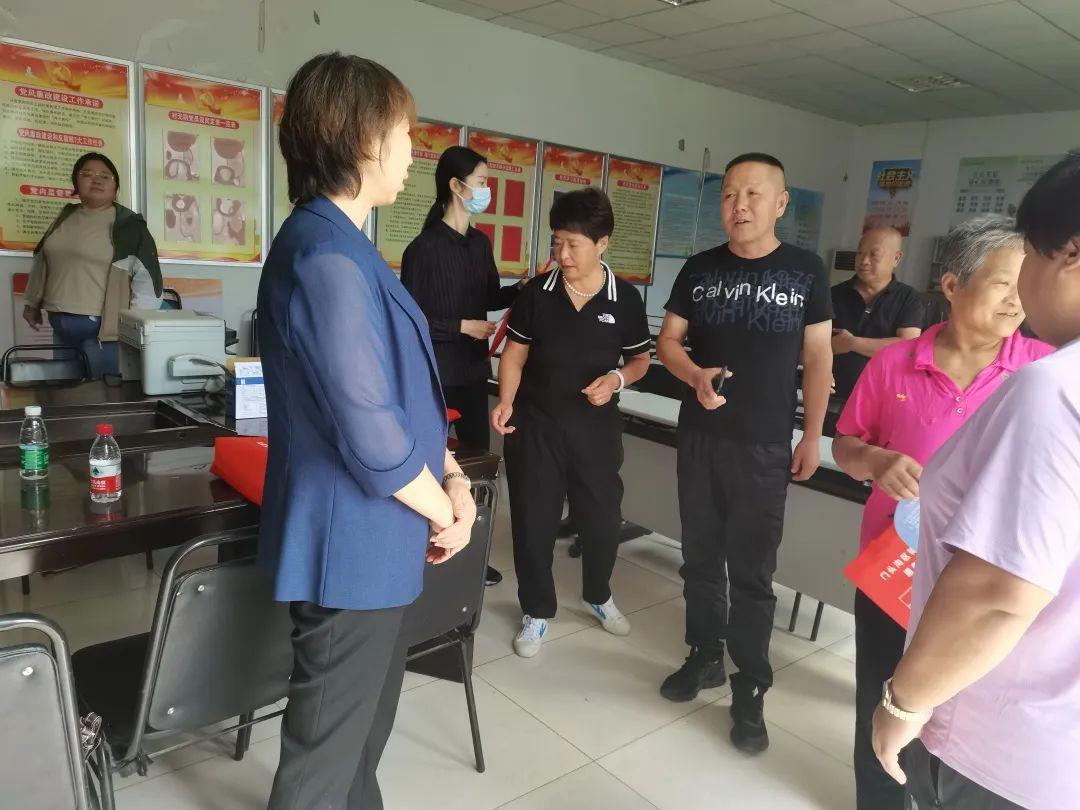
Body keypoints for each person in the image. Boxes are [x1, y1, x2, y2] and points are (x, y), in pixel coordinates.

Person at [257, 53, 475, 810]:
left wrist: (453, 477)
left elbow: (401, 396)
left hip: (378, 539)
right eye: (405, 132)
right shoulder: (326, 256)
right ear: (360, 137)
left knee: (359, 740)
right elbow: (370, 429)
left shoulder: (344, 245)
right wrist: (449, 510)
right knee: (322, 762)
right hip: (349, 544)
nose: (414, 151)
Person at [872, 152, 1080, 810]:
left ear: (1070, 255)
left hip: (1003, 743)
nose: (1019, 292)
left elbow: (997, 591)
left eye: (1030, 258)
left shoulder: (1053, 387)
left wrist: (903, 703)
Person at [832, 215, 1053, 810]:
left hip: (984, 585)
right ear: (953, 286)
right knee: (879, 699)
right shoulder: (894, 363)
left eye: (1026, 284)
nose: (1018, 300)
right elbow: (845, 447)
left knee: (966, 711)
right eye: (1004, 283)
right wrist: (876, 461)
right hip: (894, 571)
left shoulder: (1042, 373)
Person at [656, 153, 833, 753]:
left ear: (780, 203)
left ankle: (751, 685)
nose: (740, 205)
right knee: (700, 560)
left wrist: (811, 435)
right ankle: (704, 654)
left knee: (753, 574)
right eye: (730, 194)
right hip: (701, 438)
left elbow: (819, 358)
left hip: (763, 445)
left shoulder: (806, 271)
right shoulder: (700, 268)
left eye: (754, 194)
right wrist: (694, 374)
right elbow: (669, 340)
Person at [491, 187, 651, 658]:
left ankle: (598, 594)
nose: (562, 254)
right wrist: (505, 401)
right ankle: (537, 610)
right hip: (535, 426)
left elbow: (640, 361)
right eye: (556, 242)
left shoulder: (625, 299)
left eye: (573, 245)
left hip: (595, 432)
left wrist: (616, 380)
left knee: (602, 523)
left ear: (602, 243)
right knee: (533, 523)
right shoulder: (537, 294)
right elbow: (514, 356)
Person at [401, 145, 521, 588]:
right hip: (434, 376)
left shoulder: (480, 243)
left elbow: (490, 295)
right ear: (456, 186)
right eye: (482, 182)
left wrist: (527, 287)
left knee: (476, 465)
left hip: (472, 373)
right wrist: (461, 326)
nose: (487, 190)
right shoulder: (423, 249)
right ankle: (424, 549)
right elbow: (410, 318)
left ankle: (472, 554)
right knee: (431, 465)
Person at [23, 152, 162, 378]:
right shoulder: (66, 216)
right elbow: (42, 259)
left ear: (115, 186)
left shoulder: (129, 226)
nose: (96, 180)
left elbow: (148, 279)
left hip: (103, 330)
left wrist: (135, 326)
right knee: (65, 391)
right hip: (59, 322)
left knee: (105, 393)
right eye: (87, 174)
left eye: (105, 176)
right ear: (76, 182)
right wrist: (32, 304)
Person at [831, 227, 925, 399]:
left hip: (884, 399)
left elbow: (907, 348)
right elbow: (818, 344)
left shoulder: (909, 298)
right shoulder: (833, 294)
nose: (864, 261)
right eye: (860, 253)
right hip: (834, 396)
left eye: (874, 255)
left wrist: (851, 343)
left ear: (896, 258)